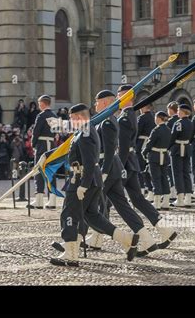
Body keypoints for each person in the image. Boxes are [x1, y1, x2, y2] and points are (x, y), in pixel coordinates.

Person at [50, 103, 139, 267]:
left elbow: (90, 161)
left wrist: (83, 185)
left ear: (78, 117)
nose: (70, 120)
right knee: (93, 216)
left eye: (71, 117)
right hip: (91, 179)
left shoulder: (85, 133)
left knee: (69, 214)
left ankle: (70, 254)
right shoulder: (84, 130)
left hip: (82, 179)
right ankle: (127, 239)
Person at [80, 90, 159, 255]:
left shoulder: (107, 121)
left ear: (104, 103)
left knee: (87, 205)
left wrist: (103, 173)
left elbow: (109, 151)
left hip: (107, 168)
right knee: (121, 206)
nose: (95, 105)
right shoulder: (106, 120)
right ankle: (147, 240)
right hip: (113, 168)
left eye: (97, 102)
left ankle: (74, 239)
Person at [117, 85, 177, 247]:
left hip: (124, 164)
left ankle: (143, 237)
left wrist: (118, 167)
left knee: (107, 199)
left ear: (128, 97)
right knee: (138, 199)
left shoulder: (125, 117)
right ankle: (165, 230)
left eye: (120, 95)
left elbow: (123, 147)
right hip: (131, 162)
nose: (117, 98)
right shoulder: (131, 115)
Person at [30, 95, 57, 209]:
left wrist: (33, 144)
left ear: (42, 103)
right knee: (51, 171)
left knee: (39, 170)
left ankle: (39, 200)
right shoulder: (54, 116)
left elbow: (36, 131)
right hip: (52, 145)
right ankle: (52, 200)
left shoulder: (41, 116)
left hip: (42, 145)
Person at [143, 112, 172, 210]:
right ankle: (166, 202)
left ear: (159, 118)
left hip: (155, 156)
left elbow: (149, 144)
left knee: (155, 178)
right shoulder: (168, 130)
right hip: (164, 155)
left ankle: (157, 202)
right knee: (164, 178)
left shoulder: (156, 130)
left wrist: (144, 153)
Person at [169, 104, 193, 207]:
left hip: (177, 149)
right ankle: (188, 198)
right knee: (186, 173)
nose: (177, 112)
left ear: (183, 111)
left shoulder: (178, 123)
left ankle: (180, 198)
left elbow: (173, 137)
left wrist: (168, 147)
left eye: (179, 110)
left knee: (177, 174)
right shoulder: (190, 123)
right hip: (187, 148)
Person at [136, 103, 156, 200]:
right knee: (147, 169)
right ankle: (150, 190)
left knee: (141, 168)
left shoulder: (142, 118)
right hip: (150, 144)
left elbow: (137, 131)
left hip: (141, 144)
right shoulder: (153, 117)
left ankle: (142, 189)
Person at [166, 101, 179, 200]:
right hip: (183, 147)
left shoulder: (170, 122)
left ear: (171, 110)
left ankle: (173, 191)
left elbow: (169, 136)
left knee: (172, 170)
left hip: (173, 148)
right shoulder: (180, 120)